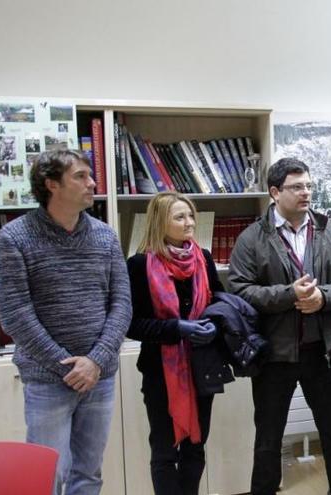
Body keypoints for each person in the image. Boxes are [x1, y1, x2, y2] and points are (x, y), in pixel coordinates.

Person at [0, 149, 131, 494]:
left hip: (99, 376)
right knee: (48, 476)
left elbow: (122, 303)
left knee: (89, 473)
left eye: (90, 175)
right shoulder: (15, 237)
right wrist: (68, 366)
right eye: (81, 176)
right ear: (51, 184)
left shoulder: (105, 235)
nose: (92, 183)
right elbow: (14, 313)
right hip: (48, 381)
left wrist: (95, 362)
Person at [228, 157, 331, 495]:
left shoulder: (327, 231)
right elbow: (241, 289)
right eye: (296, 187)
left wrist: (323, 297)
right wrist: (289, 295)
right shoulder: (252, 238)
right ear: (275, 192)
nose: (306, 193)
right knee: (269, 438)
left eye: (308, 186)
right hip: (274, 354)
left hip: (323, 351)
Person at [126, 191, 225, 494]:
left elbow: (219, 301)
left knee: (195, 447)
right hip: (160, 375)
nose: (190, 222)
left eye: (191, 215)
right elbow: (132, 324)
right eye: (180, 217)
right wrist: (176, 328)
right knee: (165, 452)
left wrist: (214, 324)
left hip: (201, 367)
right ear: (160, 222)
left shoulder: (203, 257)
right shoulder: (139, 264)